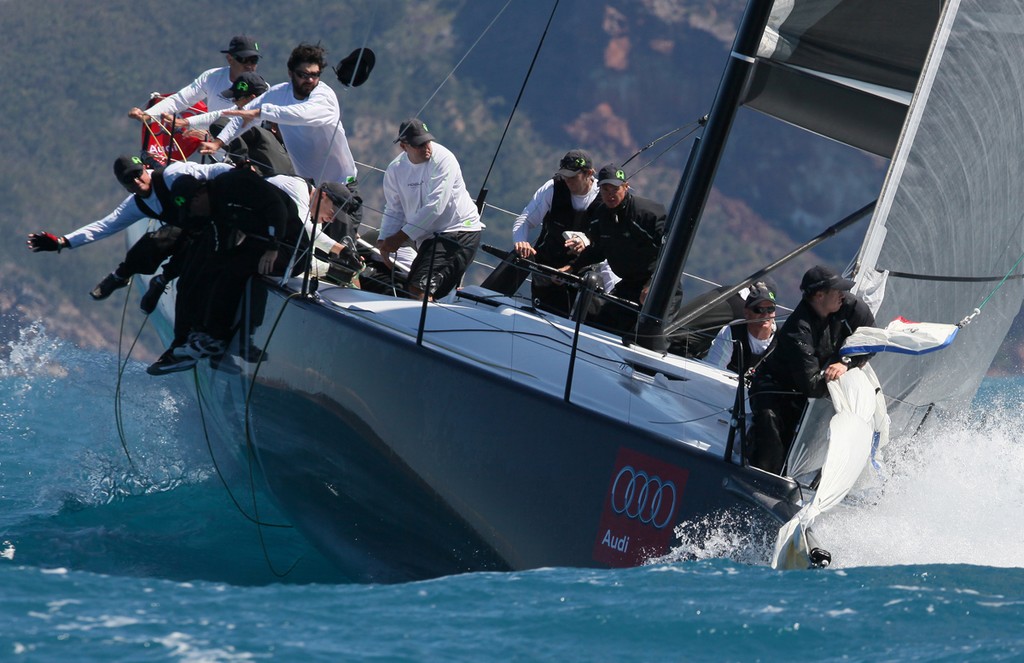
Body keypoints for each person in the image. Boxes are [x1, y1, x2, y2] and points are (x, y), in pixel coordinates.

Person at [204, 43, 361, 244]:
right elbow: (242, 117)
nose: (310, 80)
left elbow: (301, 115)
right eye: (303, 75)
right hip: (309, 190)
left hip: (339, 189)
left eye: (315, 74)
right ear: (290, 72)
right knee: (300, 244)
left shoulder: (324, 96)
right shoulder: (279, 94)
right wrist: (219, 142)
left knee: (338, 253)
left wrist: (262, 111)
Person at [25, 155, 233, 302]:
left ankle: (163, 280)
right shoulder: (136, 204)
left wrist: (243, 175)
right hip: (193, 231)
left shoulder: (171, 175)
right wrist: (63, 242)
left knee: (184, 248)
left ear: (144, 168)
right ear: (123, 185)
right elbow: (104, 226)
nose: (136, 180)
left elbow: (211, 171)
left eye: (137, 173)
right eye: (128, 179)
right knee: (154, 242)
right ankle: (122, 276)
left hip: (218, 222)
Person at [146, 169, 289, 375]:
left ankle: (221, 340)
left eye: (191, 208)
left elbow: (277, 207)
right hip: (257, 244)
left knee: (233, 270)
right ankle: (199, 339)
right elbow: (206, 257)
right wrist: (168, 276)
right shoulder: (215, 211)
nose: (194, 214)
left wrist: (273, 247)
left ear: (199, 195)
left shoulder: (234, 182)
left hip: (287, 246)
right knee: (210, 269)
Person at [747, 265, 875, 474]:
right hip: (777, 387)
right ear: (819, 295)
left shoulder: (850, 307)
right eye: (837, 291)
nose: (843, 295)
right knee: (771, 431)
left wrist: (846, 363)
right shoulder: (797, 329)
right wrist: (836, 373)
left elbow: (872, 339)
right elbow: (812, 386)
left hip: (818, 380)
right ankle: (758, 478)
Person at [377, 118, 484, 300]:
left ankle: (417, 327)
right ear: (404, 147)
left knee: (419, 288)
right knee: (414, 287)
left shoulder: (444, 159)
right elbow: (394, 209)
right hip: (428, 237)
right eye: (419, 145)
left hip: (458, 231)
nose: (427, 148)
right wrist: (383, 240)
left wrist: (399, 238)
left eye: (427, 141)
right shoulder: (395, 170)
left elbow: (435, 206)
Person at [567, 163, 667, 335]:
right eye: (605, 190)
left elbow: (669, 253)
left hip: (660, 286)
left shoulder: (647, 214)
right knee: (600, 326)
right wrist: (571, 268)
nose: (610, 194)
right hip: (629, 285)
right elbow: (597, 250)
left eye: (614, 189)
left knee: (644, 337)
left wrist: (652, 284)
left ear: (626, 187)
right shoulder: (601, 215)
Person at [511, 150, 612, 316]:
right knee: (542, 314)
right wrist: (521, 241)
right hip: (548, 266)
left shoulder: (604, 198)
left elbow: (609, 240)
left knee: (577, 318)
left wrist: (586, 242)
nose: (567, 181)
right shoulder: (552, 188)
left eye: (573, 177)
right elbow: (525, 220)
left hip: (583, 272)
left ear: (589, 173)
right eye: (565, 176)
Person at [128, 35, 260, 124]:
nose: (249, 65)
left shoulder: (262, 88)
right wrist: (148, 115)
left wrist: (187, 123)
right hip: (216, 152)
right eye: (244, 59)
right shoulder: (212, 77)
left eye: (254, 60)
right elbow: (181, 100)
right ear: (230, 59)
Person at [704, 281, 778, 374]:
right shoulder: (732, 331)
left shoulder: (782, 339)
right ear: (746, 313)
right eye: (759, 310)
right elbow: (713, 369)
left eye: (770, 309)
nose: (765, 314)